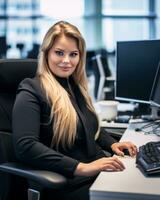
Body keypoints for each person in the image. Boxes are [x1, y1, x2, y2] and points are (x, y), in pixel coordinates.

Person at [12, 21, 137, 200]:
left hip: (99, 173)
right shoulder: (31, 89)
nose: (66, 61)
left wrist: (111, 144)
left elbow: (90, 126)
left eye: (73, 54)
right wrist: (81, 168)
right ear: (46, 53)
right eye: (59, 53)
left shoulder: (74, 86)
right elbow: (25, 146)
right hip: (70, 182)